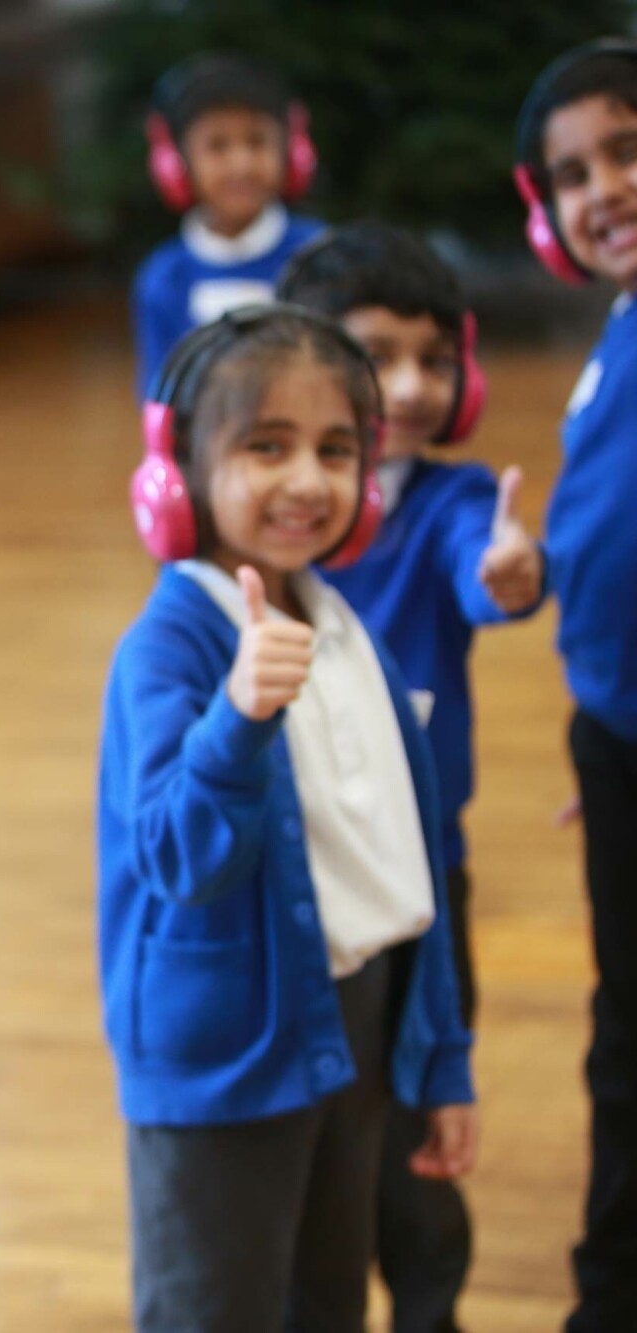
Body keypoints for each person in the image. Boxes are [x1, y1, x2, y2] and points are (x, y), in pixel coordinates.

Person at [104, 304, 476, 1331]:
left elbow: (407, 867)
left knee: (324, 1301)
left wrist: (438, 1055)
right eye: (265, 446)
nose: (306, 480)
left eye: (333, 449)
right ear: (176, 471)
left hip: (348, 1024)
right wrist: (236, 718)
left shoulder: (340, 620)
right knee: (213, 1308)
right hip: (222, 1057)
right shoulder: (169, 647)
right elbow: (172, 854)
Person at [277, 222, 546, 1333]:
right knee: (319, 1139)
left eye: (434, 360)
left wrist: (506, 574)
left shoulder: (448, 502)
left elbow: (484, 578)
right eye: (375, 354)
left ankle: (429, 1307)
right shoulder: (271, 515)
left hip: (425, 882)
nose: (409, 385)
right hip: (300, 892)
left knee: (423, 1117)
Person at [511, 39, 637, 1332]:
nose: (604, 188)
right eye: (574, 174)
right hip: (616, 739)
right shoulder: (617, 335)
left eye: (626, 149)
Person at [132, 52, 325, 391]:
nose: (241, 165)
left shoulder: (320, 255)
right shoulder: (164, 278)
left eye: (257, 142)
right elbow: (159, 393)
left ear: (291, 153)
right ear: (175, 165)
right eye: (217, 146)